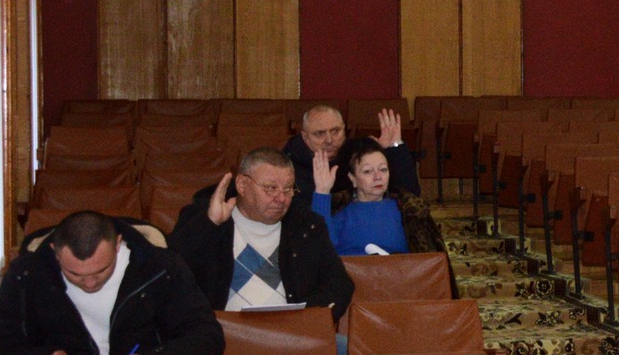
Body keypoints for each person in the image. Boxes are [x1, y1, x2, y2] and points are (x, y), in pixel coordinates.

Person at [0, 211, 224, 355]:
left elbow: (207, 336)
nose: (90, 283)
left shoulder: (161, 268)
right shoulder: (28, 274)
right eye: (75, 275)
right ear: (55, 251)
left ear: (118, 245)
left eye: (101, 271)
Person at [171, 149, 354, 319]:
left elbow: (340, 285)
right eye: (271, 188)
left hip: (291, 333)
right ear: (242, 185)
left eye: (288, 189)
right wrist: (210, 223)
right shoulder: (205, 220)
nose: (281, 198)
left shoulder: (307, 226)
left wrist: (301, 319)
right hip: (226, 333)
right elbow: (171, 275)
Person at [310, 136, 444, 257]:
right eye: (368, 171)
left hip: (401, 274)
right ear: (353, 178)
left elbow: (428, 258)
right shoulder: (342, 214)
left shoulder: (407, 211)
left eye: (383, 169)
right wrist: (322, 192)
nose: (378, 177)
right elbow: (320, 251)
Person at [287, 105, 419, 198]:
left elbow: (411, 196)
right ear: (305, 136)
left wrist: (394, 149)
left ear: (344, 129)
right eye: (320, 134)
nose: (329, 140)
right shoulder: (289, 164)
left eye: (335, 131)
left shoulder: (357, 155)